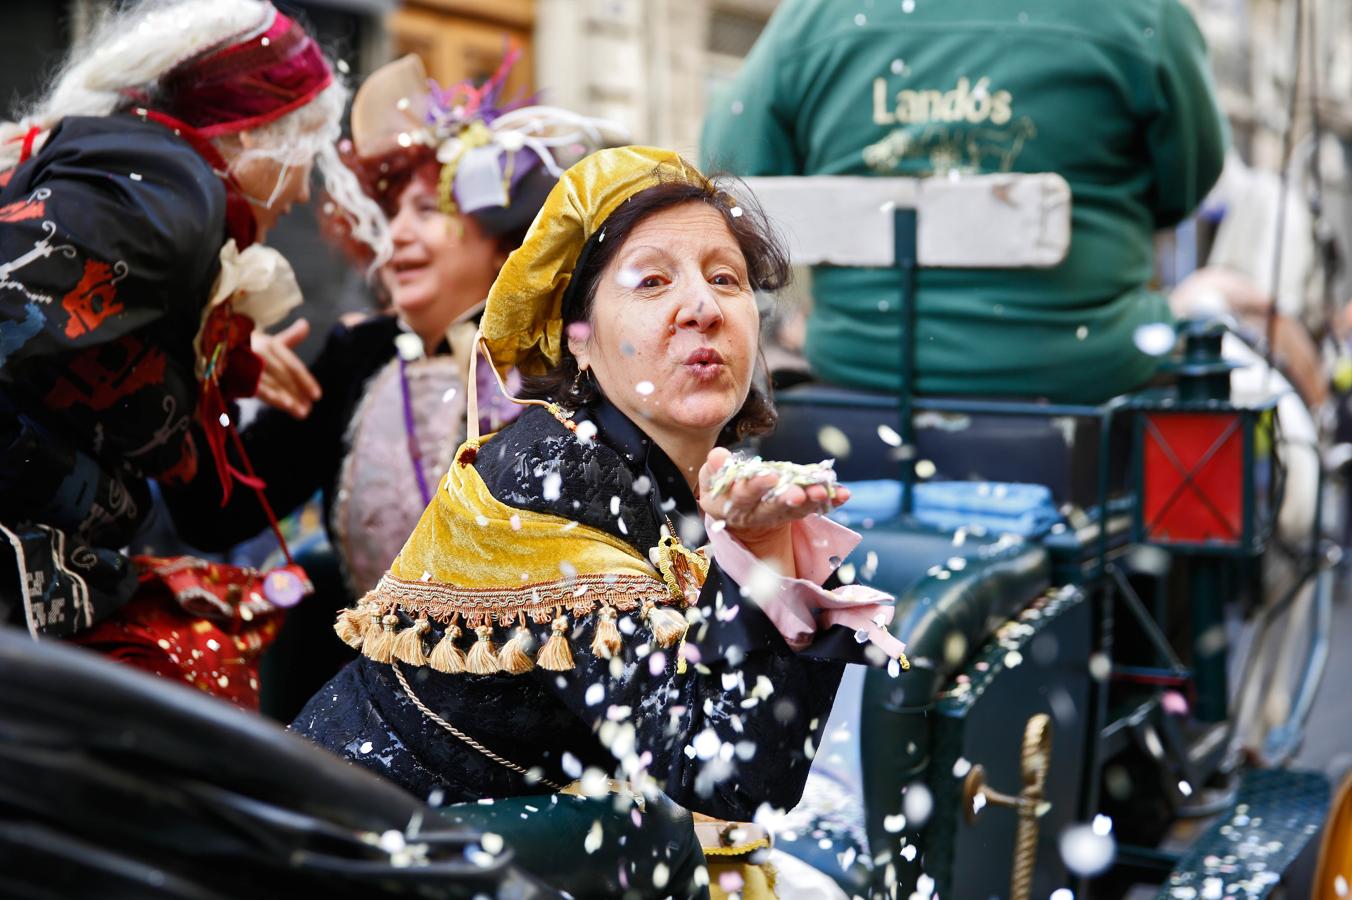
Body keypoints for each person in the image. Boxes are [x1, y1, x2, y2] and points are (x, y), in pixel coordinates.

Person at [291, 147, 907, 833]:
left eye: (726, 279)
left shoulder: (705, 470)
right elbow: (731, 779)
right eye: (650, 283)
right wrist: (763, 559)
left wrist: (767, 558)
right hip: (362, 856)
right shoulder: (548, 480)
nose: (702, 307)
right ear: (576, 339)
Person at [162, 53, 627, 719]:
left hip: (553, 716)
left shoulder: (570, 363)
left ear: (501, 240)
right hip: (379, 713)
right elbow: (216, 512)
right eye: (389, 214)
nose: (398, 234)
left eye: (424, 209)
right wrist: (205, 370)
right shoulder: (359, 357)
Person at [0, 0, 382, 701]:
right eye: (308, 152)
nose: (301, 192)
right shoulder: (168, 195)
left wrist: (218, 359)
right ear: (262, 136)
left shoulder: (153, 184)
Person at [701, 0, 1228, 404]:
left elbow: (734, 170)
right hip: (1090, 372)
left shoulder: (816, 17)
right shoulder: (1142, 14)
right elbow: (1184, 188)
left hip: (867, 370)